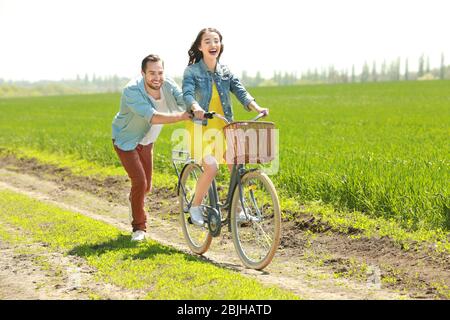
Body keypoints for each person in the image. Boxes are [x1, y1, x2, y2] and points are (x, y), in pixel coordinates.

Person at [182, 28, 268, 227]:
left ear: (220, 45)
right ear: (199, 46)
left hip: (223, 126)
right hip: (200, 128)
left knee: (237, 166)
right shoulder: (192, 71)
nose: (213, 45)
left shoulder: (225, 72)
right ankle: (195, 205)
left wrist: (257, 107)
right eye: (208, 41)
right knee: (211, 167)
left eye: (216, 41)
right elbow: (187, 94)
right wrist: (195, 107)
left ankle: (238, 210)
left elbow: (240, 91)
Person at [112, 54, 191, 241]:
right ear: (143, 73)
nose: (157, 77)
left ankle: (134, 201)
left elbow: (183, 100)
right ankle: (139, 228)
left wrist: (196, 108)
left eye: (160, 72)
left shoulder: (168, 85)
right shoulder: (131, 90)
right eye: (152, 73)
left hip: (147, 143)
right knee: (139, 182)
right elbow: (153, 116)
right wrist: (181, 117)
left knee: (146, 187)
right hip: (126, 142)